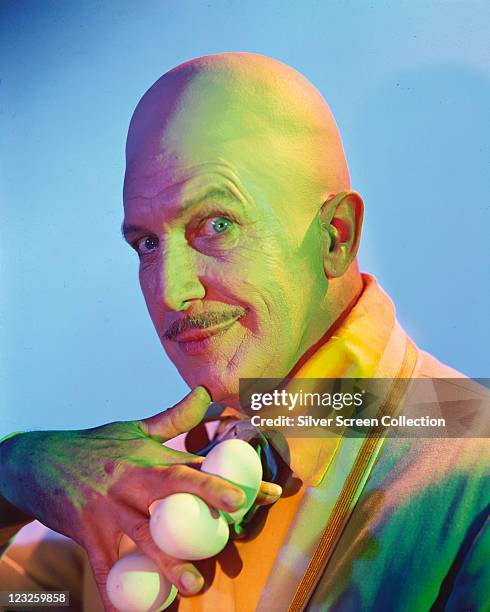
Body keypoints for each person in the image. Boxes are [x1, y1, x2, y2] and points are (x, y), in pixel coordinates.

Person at [0, 53, 488, 611]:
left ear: (335, 237)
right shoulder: (128, 489)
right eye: (147, 244)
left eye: (217, 225)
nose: (169, 291)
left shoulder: (470, 454)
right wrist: (15, 468)